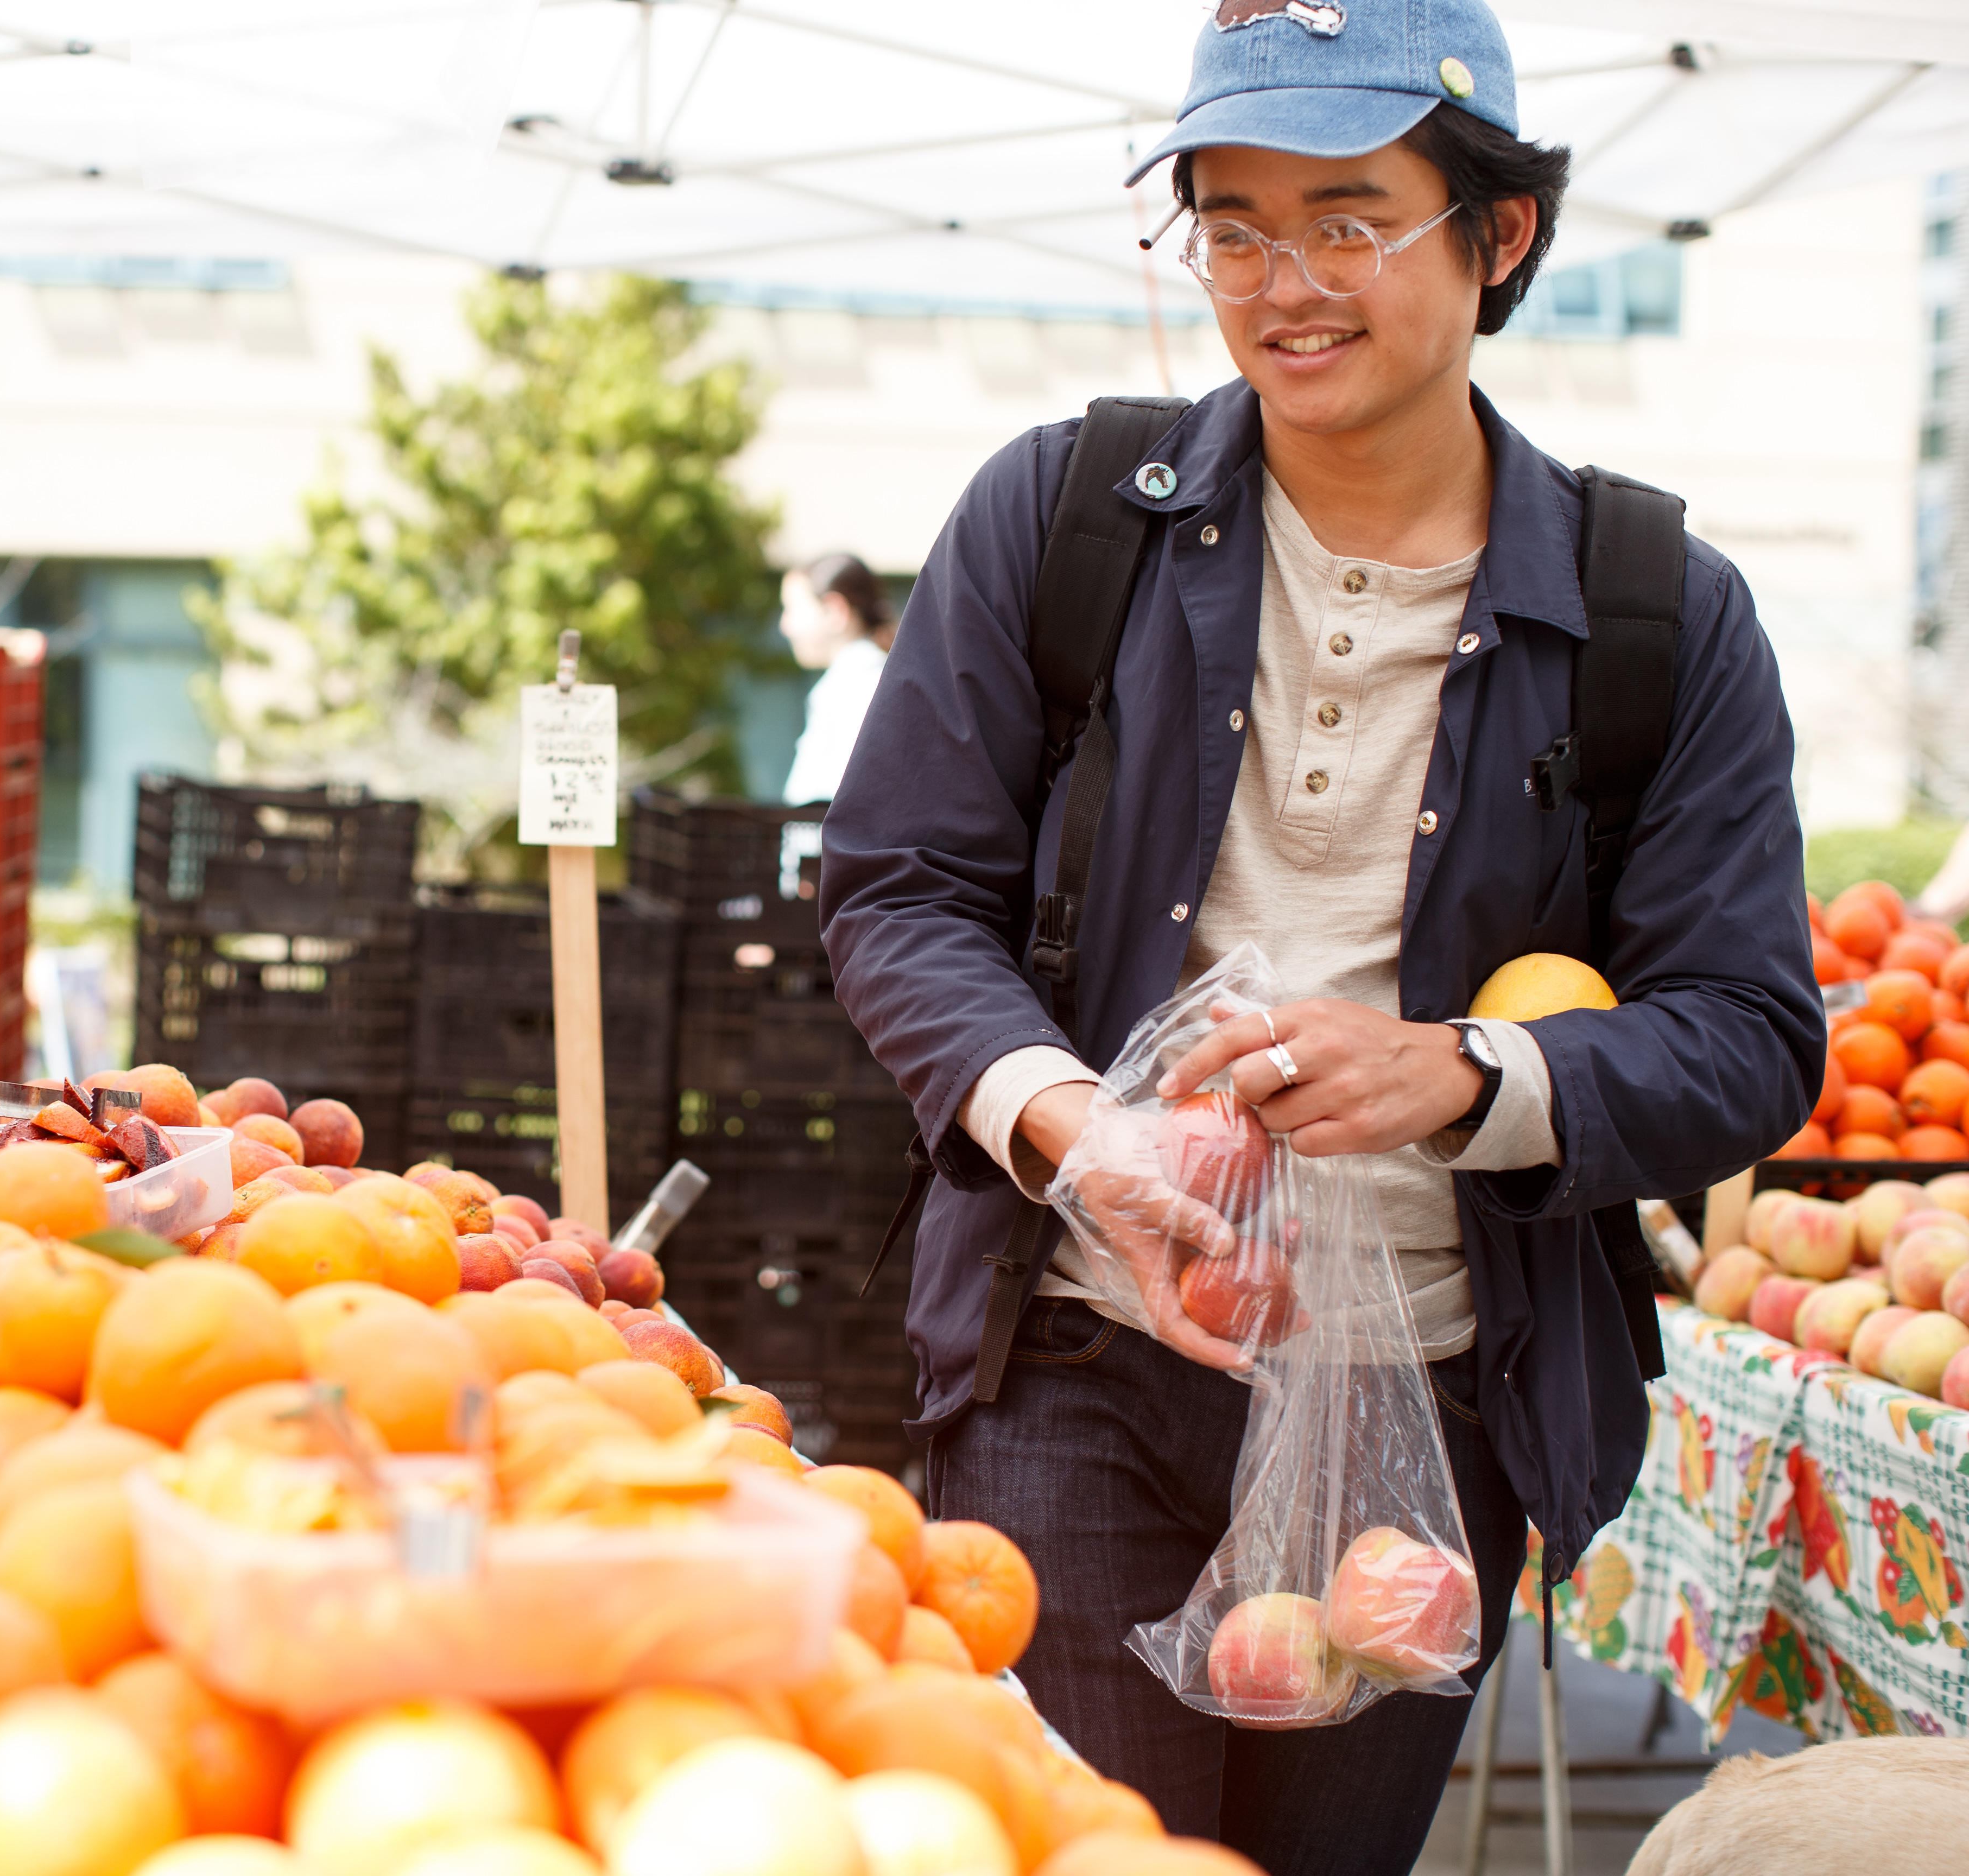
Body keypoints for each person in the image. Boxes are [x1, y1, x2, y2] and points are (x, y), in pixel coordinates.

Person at [818, 3, 1821, 1868]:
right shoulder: (1062, 519)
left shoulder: (1652, 613)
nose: (1283, 283)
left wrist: (1464, 1072)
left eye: (1348, 219)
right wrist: (1074, 1127)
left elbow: (1753, 1029)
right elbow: (894, 887)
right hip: (1072, 1361)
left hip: (1431, 1406)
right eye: (1232, 225)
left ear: (1495, 234)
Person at [778, 553, 896, 807]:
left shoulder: (861, 690)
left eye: (792, 609)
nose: (784, 626)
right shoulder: (854, 684)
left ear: (835, 611)